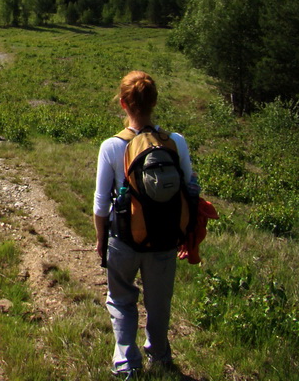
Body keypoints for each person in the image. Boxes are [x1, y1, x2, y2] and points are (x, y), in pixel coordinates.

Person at [94, 71, 200, 379]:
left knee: (122, 299)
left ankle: (127, 362)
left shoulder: (112, 147)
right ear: (153, 103)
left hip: (124, 239)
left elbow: (101, 204)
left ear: (124, 103)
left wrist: (102, 240)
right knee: (159, 302)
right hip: (165, 239)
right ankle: (160, 355)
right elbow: (190, 188)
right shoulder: (176, 142)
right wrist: (187, 232)